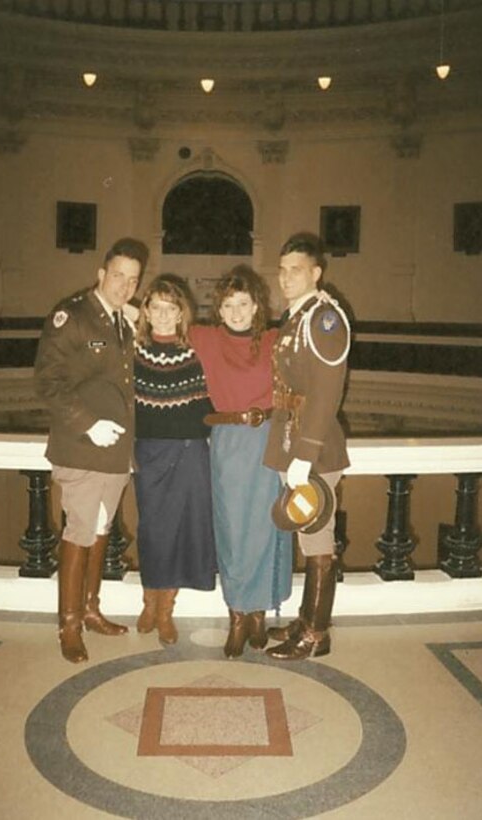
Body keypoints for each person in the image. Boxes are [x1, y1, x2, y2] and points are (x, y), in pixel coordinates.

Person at [34, 237, 149, 664]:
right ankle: (68, 625)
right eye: (117, 275)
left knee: (101, 530)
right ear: (101, 274)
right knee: (80, 531)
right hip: (83, 447)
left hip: (116, 452)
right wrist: (88, 423)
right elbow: (48, 383)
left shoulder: (123, 321)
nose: (124, 285)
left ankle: (90, 608)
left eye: (133, 280)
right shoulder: (73, 317)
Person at [189, 265, 293, 658]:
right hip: (230, 440)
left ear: (256, 306)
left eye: (243, 303)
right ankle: (236, 615)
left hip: (268, 438)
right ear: (220, 308)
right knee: (233, 531)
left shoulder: (274, 339)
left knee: (267, 526)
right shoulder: (206, 338)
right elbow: (158, 316)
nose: (236, 311)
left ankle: (258, 616)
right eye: (229, 304)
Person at [263, 231, 351, 661]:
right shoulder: (296, 316)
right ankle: (306, 619)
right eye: (281, 270)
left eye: (294, 270)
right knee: (306, 533)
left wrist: (304, 453)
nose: (285, 278)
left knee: (317, 537)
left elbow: (326, 392)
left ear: (315, 273)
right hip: (293, 439)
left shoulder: (323, 319)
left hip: (312, 449)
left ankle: (316, 634)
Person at [133, 275, 217, 644]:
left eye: (172, 308)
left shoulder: (198, 349)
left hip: (191, 451)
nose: (164, 315)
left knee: (184, 530)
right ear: (146, 312)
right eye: (157, 308)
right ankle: (149, 600)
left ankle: (166, 609)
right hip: (150, 452)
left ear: (182, 312)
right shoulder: (132, 353)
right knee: (154, 531)